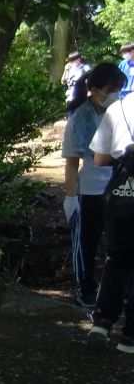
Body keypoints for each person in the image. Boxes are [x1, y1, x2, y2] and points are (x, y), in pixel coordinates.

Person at [61, 63, 127, 307]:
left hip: (120, 186)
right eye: (113, 88)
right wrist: (70, 197)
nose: (116, 93)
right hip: (90, 189)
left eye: (120, 88)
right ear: (96, 89)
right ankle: (84, 287)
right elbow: (71, 162)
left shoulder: (120, 111)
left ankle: (116, 291)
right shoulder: (80, 117)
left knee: (119, 242)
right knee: (86, 242)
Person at [87, 87, 134, 351]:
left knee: (116, 260)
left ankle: (103, 322)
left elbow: (99, 158)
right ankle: (129, 337)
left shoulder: (118, 109)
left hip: (121, 195)